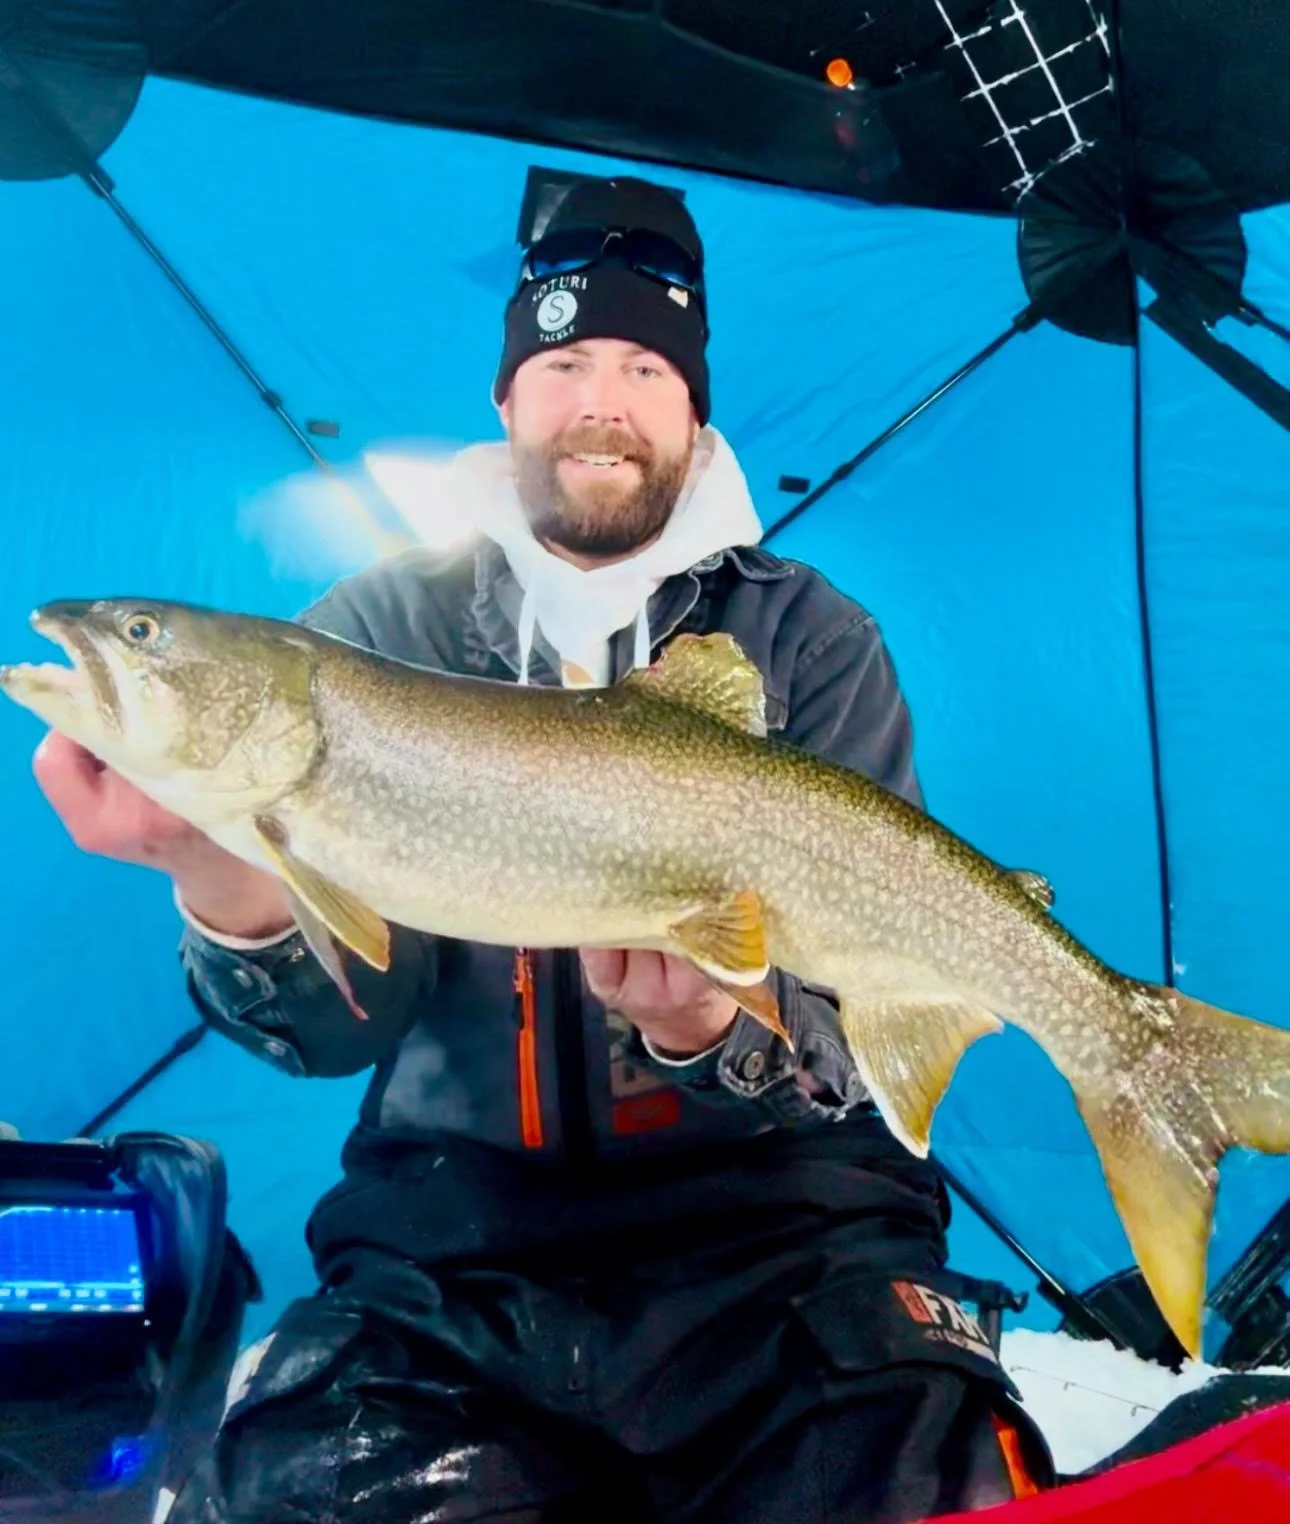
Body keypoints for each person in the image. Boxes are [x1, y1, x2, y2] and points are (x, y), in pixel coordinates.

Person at [33, 176, 1053, 1522]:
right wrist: (214, 870)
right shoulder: (368, 627)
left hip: (786, 1241)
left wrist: (710, 1030)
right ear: (508, 400)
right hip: (449, 1249)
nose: (600, 399)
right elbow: (339, 1036)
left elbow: (851, 1033)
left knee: (936, 1481)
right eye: (562, 361)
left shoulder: (810, 633)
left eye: (644, 365)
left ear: (693, 409)